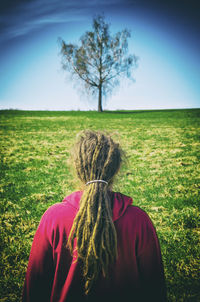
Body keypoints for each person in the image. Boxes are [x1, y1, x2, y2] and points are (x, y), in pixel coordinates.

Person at [22, 130, 167, 302]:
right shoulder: (139, 220)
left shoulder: (53, 218)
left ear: (76, 168)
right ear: (117, 168)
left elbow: (35, 289)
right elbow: (155, 289)